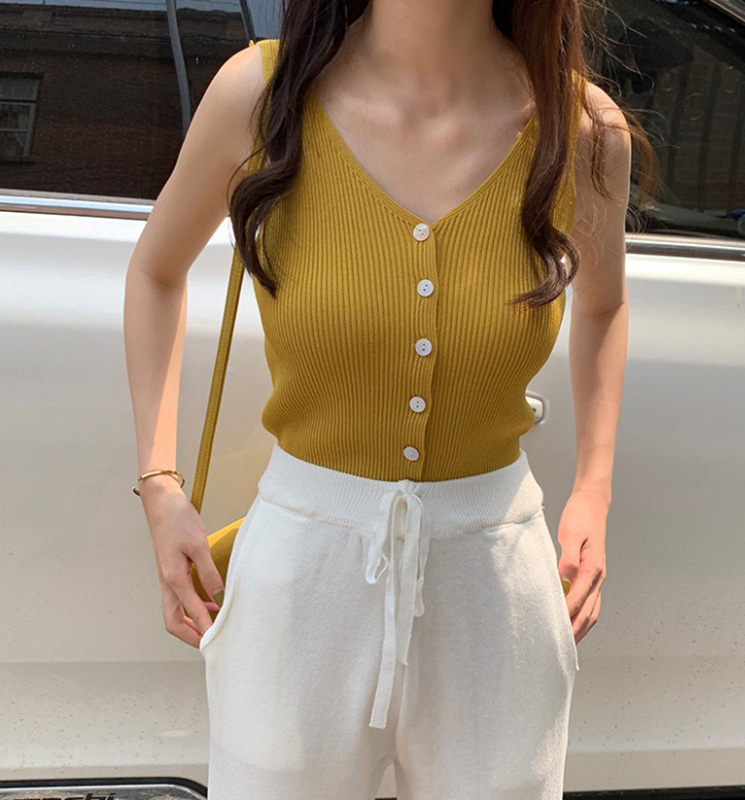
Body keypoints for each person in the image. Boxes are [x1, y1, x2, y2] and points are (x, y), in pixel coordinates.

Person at [125, 1, 636, 797]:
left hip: (495, 587)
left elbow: (603, 306)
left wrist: (594, 492)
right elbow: (156, 272)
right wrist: (160, 488)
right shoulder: (261, 97)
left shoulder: (583, 130)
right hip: (301, 579)